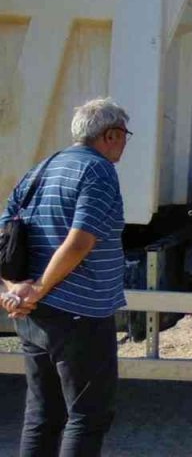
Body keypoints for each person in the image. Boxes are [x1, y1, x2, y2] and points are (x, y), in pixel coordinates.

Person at [0, 98, 130, 457]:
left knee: (42, 414)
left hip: (34, 316)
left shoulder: (43, 167)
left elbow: (7, 232)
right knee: (87, 416)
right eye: (124, 136)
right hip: (80, 314)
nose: (124, 145)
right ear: (111, 134)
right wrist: (38, 289)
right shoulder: (98, 171)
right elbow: (79, 242)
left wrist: (14, 289)